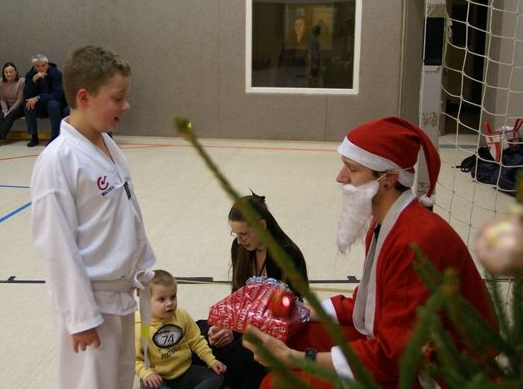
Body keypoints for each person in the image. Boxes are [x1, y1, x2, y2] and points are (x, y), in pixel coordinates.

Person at [242, 117, 497, 389]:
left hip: (435, 372)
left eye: (352, 169)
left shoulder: (414, 242)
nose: (340, 177)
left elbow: (394, 357)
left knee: (276, 383)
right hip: (398, 345)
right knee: (292, 332)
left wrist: (296, 358)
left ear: (388, 179)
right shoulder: (384, 223)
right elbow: (372, 304)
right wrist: (303, 311)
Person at [30, 44, 156, 389]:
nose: (126, 106)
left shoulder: (107, 145)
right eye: (118, 98)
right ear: (84, 97)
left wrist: (142, 266)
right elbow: (56, 246)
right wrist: (79, 317)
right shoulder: (57, 161)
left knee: (120, 381)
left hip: (120, 297)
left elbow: (128, 212)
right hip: (92, 305)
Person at [196, 192, 309, 389]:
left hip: (273, 334)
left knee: (247, 357)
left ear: (262, 226)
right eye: (235, 234)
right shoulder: (239, 248)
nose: (239, 241)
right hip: (245, 327)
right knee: (198, 332)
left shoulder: (288, 255)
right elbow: (237, 297)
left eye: (244, 234)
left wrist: (237, 331)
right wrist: (225, 327)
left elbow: (286, 314)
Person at [135, 270, 227, 389]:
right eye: (162, 299)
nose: (169, 303)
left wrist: (212, 361)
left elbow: (197, 341)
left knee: (216, 377)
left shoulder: (181, 315)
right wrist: (146, 373)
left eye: (173, 297)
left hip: (185, 371)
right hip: (159, 378)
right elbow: (135, 359)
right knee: (148, 385)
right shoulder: (141, 326)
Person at [23, 54, 65, 147]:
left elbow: (58, 94)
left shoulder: (56, 74)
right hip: (40, 106)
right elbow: (27, 95)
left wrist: (38, 97)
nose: (41, 68)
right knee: (28, 103)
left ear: (47, 64)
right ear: (34, 66)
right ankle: (34, 137)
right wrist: (33, 81)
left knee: (53, 104)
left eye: (43, 65)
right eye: (38, 66)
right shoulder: (30, 75)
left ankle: (55, 137)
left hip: (55, 105)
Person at [276, 16, 310, 88]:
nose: (298, 27)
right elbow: (281, 60)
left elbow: (309, 61)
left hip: (302, 76)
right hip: (289, 76)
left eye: (300, 24)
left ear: (305, 26)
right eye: (296, 25)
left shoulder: (309, 42)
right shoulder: (288, 42)